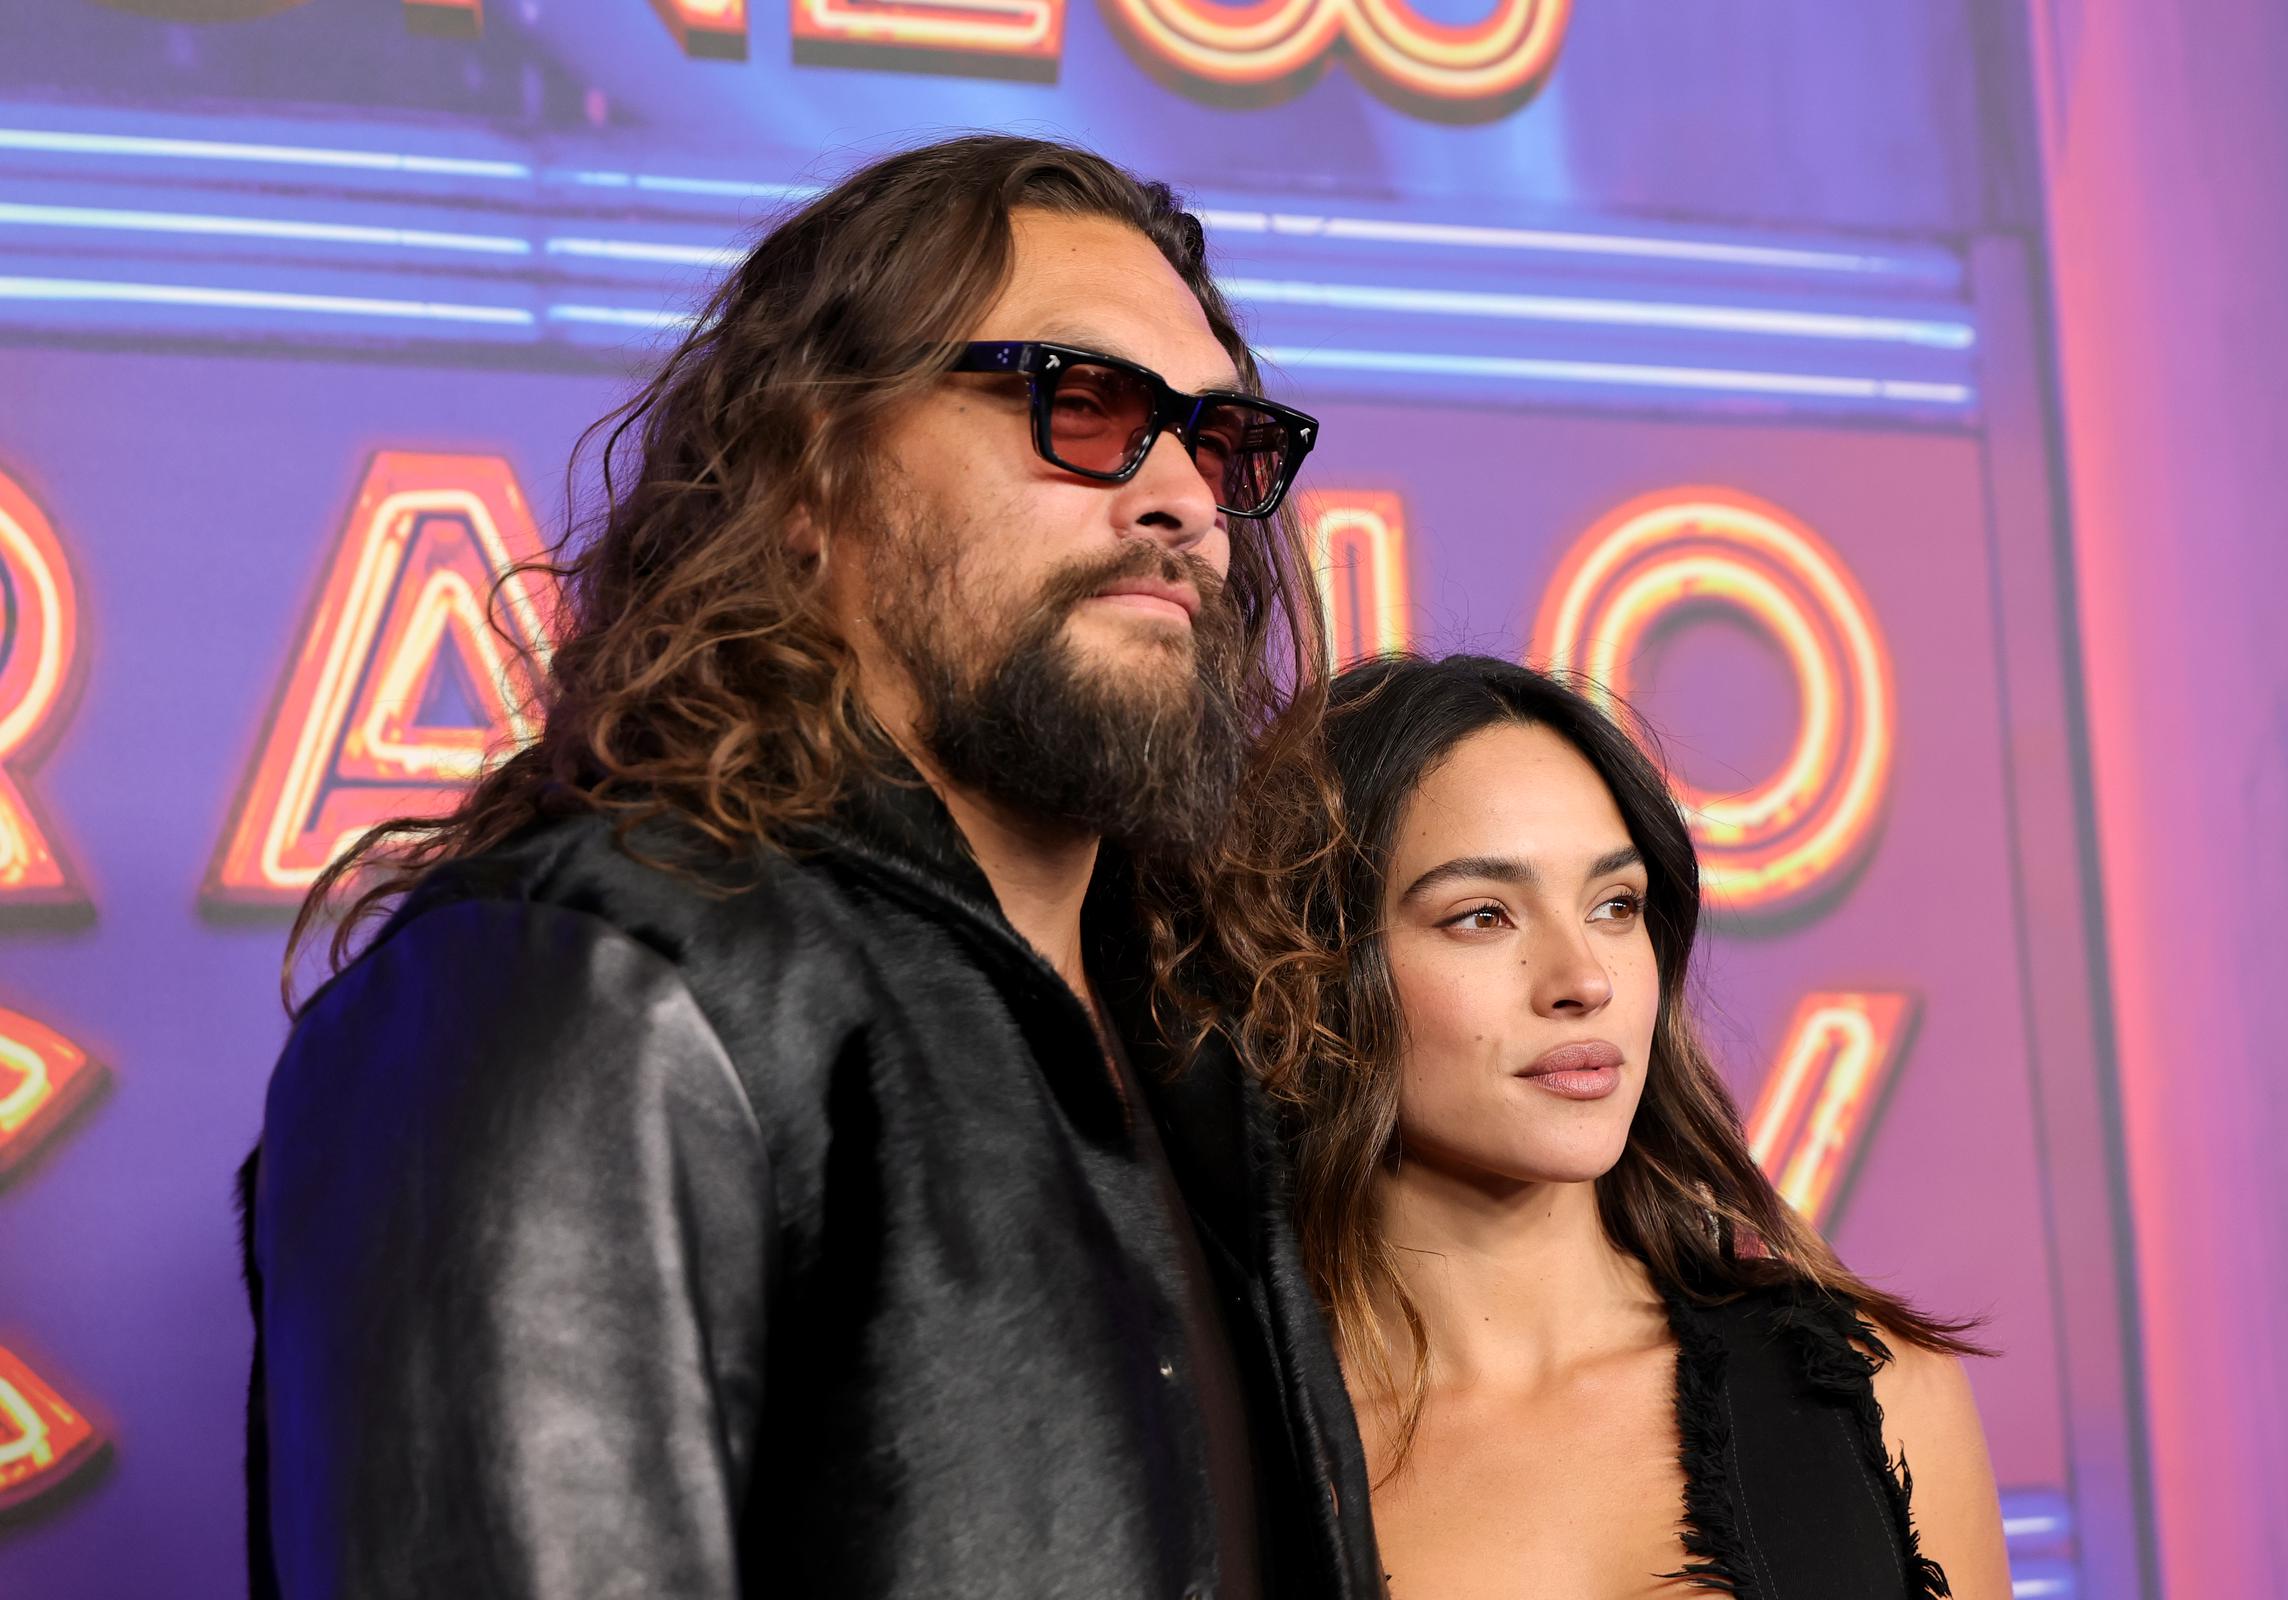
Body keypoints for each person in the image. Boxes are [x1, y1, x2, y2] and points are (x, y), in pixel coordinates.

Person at [234, 135, 1380, 1600]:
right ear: (804, 474)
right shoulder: (577, 973)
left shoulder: (1199, 1065)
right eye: (1080, 407)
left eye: (1218, 445)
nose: (1183, 504)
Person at [1199, 654, 2011, 1600]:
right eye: (1483, 916)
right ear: (1310, 972)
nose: (1585, 978)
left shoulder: (1874, 1393)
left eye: (1614, 905)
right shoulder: (1234, 1459)